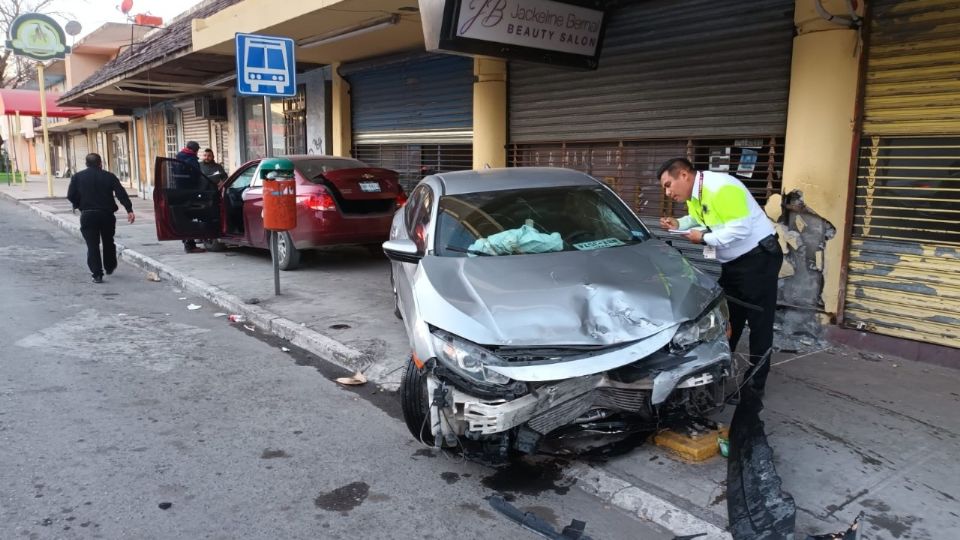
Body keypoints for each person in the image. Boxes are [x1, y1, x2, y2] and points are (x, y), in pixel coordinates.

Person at [656, 157, 782, 396]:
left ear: (684, 175)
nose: (667, 192)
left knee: (759, 328)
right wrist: (678, 222)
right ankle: (717, 380)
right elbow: (699, 218)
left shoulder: (722, 187)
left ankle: (752, 391)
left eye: (668, 184)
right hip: (734, 265)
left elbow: (740, 228)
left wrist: (703, 239)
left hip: (758, 261)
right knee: (726, 322)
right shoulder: (697, 194)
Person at [66, 153, 136, 283]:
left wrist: (79, 204)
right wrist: (129, 209)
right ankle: (109, 266)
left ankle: (97, 274)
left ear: (86, 164)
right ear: (100, 163)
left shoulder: (78, 177)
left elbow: (70, 195)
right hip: (106, 215)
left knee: (92, 245)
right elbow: (121, 193)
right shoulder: (109, 176)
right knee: (108, 241)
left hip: (88, 215)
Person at [175, 141, 204, 253]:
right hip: (190, 192)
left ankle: (187, 242)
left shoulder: (178, 157)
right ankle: (190, 245)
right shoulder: (190, 159)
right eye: (197, 150)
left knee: (184, 217)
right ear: (194, 150)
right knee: (190, 217)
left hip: (179, 192)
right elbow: (196, 176)